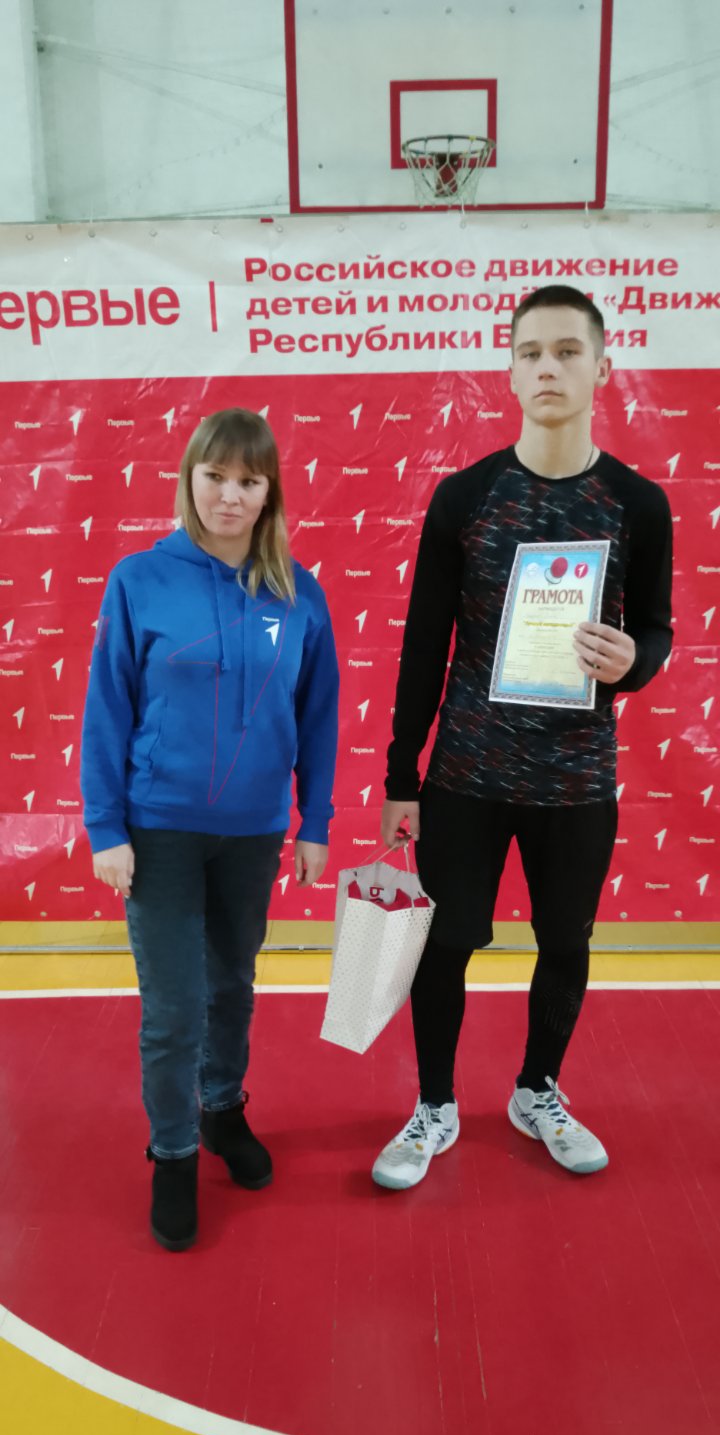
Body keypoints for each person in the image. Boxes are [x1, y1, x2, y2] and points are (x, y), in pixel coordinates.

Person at [372, 285, 673, 1190]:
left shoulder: (638, 503)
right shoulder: (464, 497)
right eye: (531, 352)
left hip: (577, 780)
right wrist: (401, 774)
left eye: (568, 351)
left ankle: (537, 1091)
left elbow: (656, 630)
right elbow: (425, 644)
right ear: (508, 371)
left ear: (602, 368)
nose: (549, 367)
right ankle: (433, 1104)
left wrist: (636, 662)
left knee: (566, 943)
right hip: (466, 774)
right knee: (445, 943)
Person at [81, 409, 339, 1249]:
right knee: (174, 1009)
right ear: (189, 479)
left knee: (232, 985)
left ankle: (222, 1110)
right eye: (215, 476)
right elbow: (108, 707)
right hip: (157, 831)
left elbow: (320, 715)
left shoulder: (299, 593)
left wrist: (314, 821)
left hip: (253, 834)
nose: (230, 495)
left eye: (249, 481)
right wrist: (105, 827)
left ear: (270, 493)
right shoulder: (139, 579)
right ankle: (174, 1151)